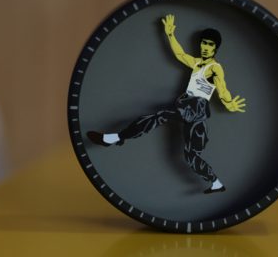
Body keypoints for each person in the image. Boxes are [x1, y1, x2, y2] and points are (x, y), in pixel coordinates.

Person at [87, 14, 246, 194]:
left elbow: (222, 88)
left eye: (210, 44)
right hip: (192, 109)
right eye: (204, 43)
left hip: (196, 106)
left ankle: (116, 138)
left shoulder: (215, 67)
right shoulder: (197, 63)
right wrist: (170, 34)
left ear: (216, 47)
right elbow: (180, 54)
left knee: (163, 119)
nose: (206, 47)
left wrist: (228, 103)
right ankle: (216, 183)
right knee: (190, 154)